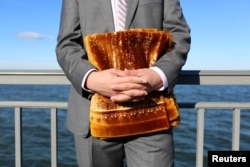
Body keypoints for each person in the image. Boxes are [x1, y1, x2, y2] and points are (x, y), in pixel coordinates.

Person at [56, 0, 191, 166]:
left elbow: (179, 35)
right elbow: (66, 45)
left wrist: (157, 75)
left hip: (151, 113)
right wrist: (91, 79)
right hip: (92, 116)